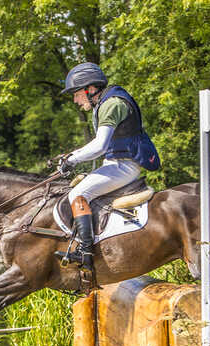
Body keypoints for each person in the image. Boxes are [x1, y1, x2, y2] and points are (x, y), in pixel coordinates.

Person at [54, 62, 159, 272]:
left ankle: (85, 253)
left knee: (78, 195)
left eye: (76, 94)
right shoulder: (106, 102)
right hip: (117, 164)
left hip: (124, 166)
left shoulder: (112, 104)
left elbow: (100, 146)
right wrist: (70, 157)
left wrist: (72, 160)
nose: (75, 100)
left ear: (89, 89)